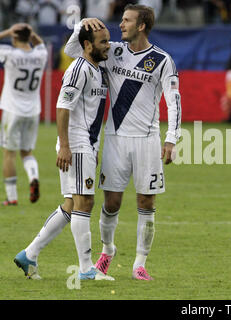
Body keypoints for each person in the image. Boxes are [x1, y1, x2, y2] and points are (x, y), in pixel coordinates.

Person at [64, 4, 182, 281]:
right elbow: (73, 51)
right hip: (116, 139)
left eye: (127, 20)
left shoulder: (163, 60)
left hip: (148, 141)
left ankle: (140, 263)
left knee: (146, 201)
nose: (121, 25)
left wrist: (171, 138)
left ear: (141, 26)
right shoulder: (112, 51)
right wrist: (82, 24)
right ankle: (107, 250)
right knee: (112, 202)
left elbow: (173, 100)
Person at [14, 23, 114, 281]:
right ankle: (85, 269)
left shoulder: (96, 67)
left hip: (86, 143)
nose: (108, 45)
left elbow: (76, 43)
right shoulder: (78, 69)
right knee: (85, 202)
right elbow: (62, 107)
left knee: (71, 205)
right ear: (88, 45)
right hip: (77, 143)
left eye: (108, 40)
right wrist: (66, 145)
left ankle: (29, 254)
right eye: (103, 41)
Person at [0, 24, 47, 206]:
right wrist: (30, 32)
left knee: (9, 153)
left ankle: (12, 198)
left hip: (13, 109)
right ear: (29, 37)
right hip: (33, 110)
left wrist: (7, 31)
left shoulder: (10, 53)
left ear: (14, 37)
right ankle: (33, 177)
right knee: (26, 151)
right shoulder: (41, 54)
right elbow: (39, 42)